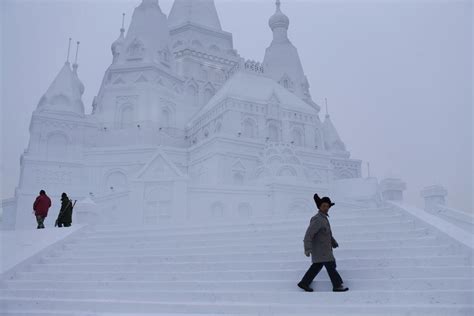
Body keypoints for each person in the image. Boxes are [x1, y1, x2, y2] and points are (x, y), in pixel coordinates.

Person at [297, 193, 349, 292]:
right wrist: (307, 249)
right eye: (324, 206)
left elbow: (327, 233)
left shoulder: (324, 218)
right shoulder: (317, 219)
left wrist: (333, 242)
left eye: (327, 206)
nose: (326, 208)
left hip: (324, 249)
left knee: (317, 266)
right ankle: (337, 285)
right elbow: (308, 234)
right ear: (319, 206)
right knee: (330, 266)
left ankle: (304, 282)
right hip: (321, 250)